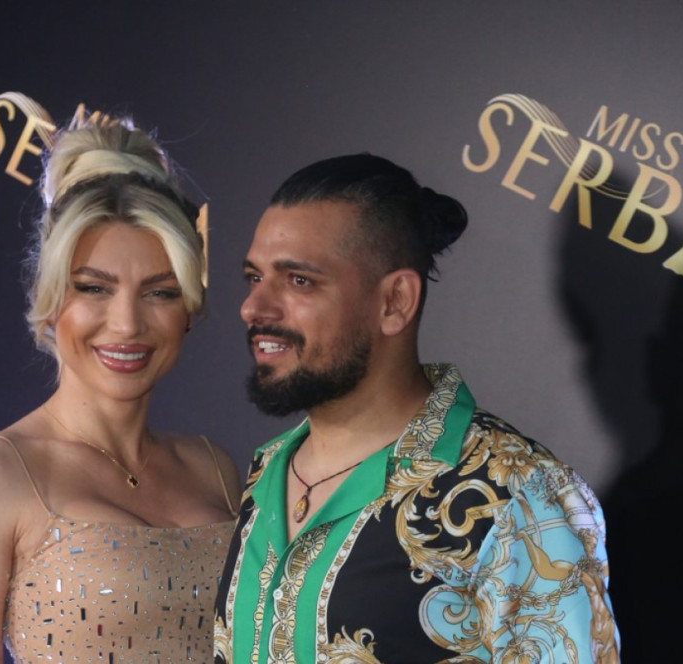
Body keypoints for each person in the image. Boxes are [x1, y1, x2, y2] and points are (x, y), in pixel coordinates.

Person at [213, 154, 620, 663]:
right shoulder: (268, 468)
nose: (253, 308)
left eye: (299, 281)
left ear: (395, 301)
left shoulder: (519, 492)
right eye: (254, 277)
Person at [0, 112, 240, 664]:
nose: (126, 324)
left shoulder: (214, 466)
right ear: (51, 301)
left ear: (189, 308)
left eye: (160, 292)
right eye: (94, 288)